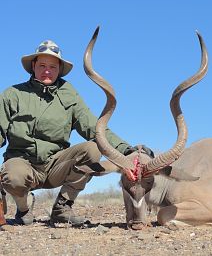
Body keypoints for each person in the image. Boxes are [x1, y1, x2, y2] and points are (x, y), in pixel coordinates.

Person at [0, 39, 153, 226]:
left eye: (52, 66)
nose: (47, 70)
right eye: (41, 65)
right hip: (23, 163)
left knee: (92, 148)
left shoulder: (69, 94)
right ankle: (24, 208)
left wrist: (127, 151)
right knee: (13, 176)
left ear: (59, 69)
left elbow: (95, 129)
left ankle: (62, 208)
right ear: (33, 66)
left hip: (55, 165)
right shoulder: (12, 94)